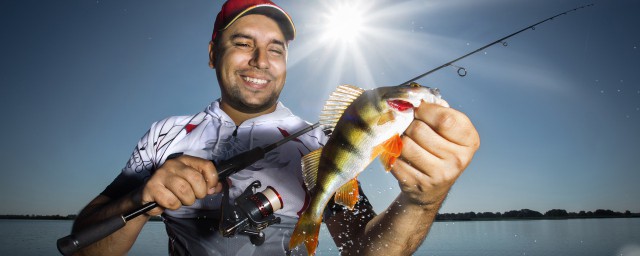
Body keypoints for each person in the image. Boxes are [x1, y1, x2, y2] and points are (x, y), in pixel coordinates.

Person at [70, 0, 480, 255]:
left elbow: (363, 252)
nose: (260, 60)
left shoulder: (321, 142)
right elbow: (81, 249)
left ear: (285, 61)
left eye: (275, 49)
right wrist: (139, 200)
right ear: (214, 53)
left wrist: (421, 203)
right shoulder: (163, 135)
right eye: (243, 43)